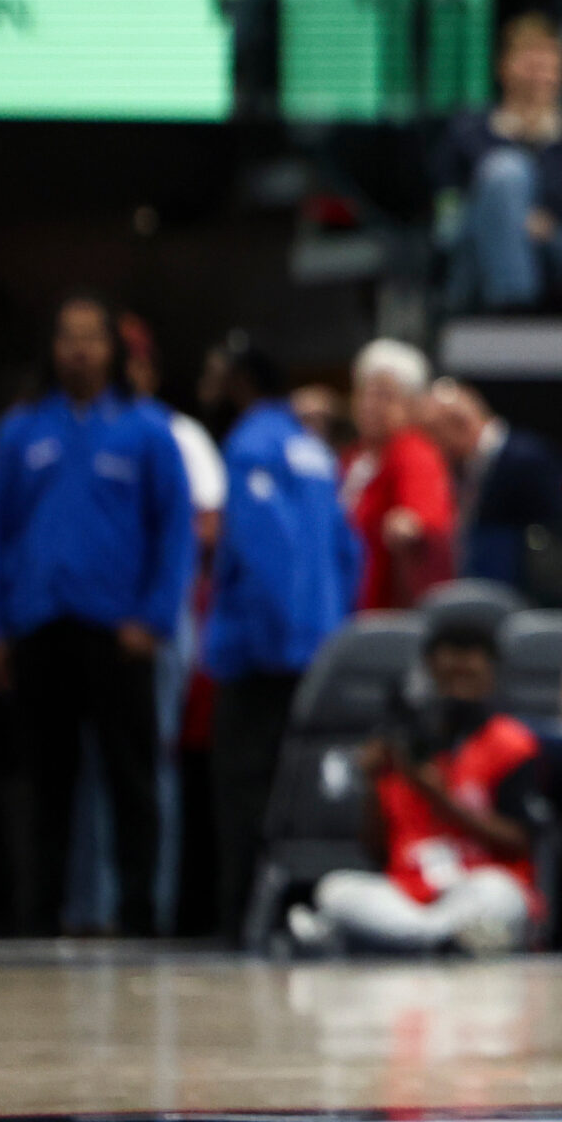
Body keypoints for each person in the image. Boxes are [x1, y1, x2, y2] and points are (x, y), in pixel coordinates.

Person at [0, 296, 195, 939]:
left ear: (112, 350)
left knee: (132, 777)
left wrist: (153, 619)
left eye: (91, 338)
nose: (78, 350)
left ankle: (140, 914)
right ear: (52, 348)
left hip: (118, 630)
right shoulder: (21, 431)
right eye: (67, 338)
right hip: (39, 624)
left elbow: (174, 534)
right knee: (44, 782)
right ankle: (40, 916)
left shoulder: (149, 430)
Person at [204, 341, 359, 942]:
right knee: (297, 794)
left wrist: (280, 636)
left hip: (262, 651)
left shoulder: (251, 446)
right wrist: (328, 632)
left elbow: (264, 548)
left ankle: (239, 922)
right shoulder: (315, 451)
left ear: (243, 383)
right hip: (316, 651)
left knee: (243, 790)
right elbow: (348, 552)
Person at [288, 622, 543, 955]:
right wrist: (373, 782)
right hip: (410, 893)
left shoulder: (511, 743)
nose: (456, 689)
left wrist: (440, 798)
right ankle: (440, 940)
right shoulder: (404, 744)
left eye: (469, 677)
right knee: (335, 890)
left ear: (491, 677)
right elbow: (376, 852)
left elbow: (521, 841)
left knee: (501, 896)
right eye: (448, 677)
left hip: (477, 884)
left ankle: (394, 940)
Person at [436, 14, 562, 319]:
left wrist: (552, 224)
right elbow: (447, 202)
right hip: (481, 246)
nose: (539, 75)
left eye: (548, 66)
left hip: (554, 239)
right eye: (530, 64)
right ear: (504, 67)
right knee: (506, 171)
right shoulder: (471, 130)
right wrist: (509, 217)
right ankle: (513, 312)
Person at [421, 379, 562, 601]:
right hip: (480, 595)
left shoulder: (528, 459)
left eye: (433, 431)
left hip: (531, 598)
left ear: (459, 424)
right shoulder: (463, 468)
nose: (432, 444)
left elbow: (561, 531)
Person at [339, 340, 455, 611]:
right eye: (364, 393)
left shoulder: (413, 451)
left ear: (412, 404)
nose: (370, 404)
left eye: (384, 396)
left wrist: (410, 524)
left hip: (386, 610)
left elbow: (427, 516)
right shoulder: (352, 457)